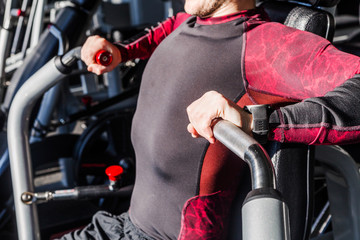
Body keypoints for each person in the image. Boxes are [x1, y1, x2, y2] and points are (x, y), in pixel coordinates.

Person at [60, 0, 360, 239]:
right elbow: (160, 34)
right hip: (124, 224)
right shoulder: (188, 20)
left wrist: (258, 120)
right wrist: (120, 52)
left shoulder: (267, 46)